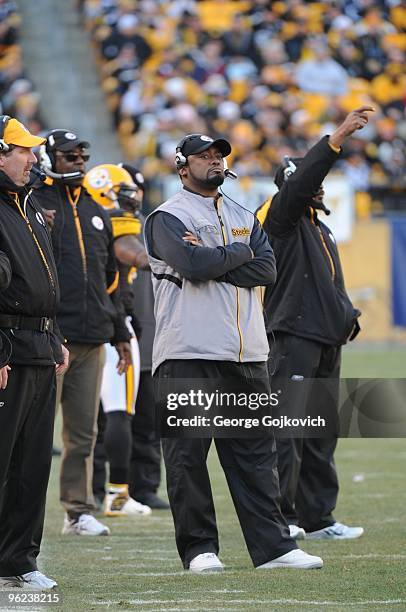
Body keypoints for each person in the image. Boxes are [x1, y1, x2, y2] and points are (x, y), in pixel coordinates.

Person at [144, 132, 323, 572]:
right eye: (204, 156)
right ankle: (199, 549)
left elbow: (267, 269)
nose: (214, 161)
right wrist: (236, 253)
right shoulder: (165, 217)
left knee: (256, 458)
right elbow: (192, 265)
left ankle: (275, 549)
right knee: (188, 456)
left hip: (246, 353)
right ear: (182, 166)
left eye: (219, 155)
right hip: (188, 349)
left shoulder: (244, 213)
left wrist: (221, 255)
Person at [256, 107, 374, 540]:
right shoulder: (280, 219)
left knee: (321, 434)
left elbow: (328, 285)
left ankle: (318, 518)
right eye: (312, 181)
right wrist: (338, 136)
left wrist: (346, 317)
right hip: (293, 336)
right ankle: (283, 518)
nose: (319, 188)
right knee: (287, 432)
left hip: (325, 338)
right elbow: (303, 179)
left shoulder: (318, 228)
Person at [37, 130, 132, 536]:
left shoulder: (96, 210)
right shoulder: (34, 204)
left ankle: (77, 510)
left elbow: (109, 281)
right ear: (47, 159)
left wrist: (120, 332)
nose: (77, 161)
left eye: (81, 154)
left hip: (92, 337)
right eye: (68, 155)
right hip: (47, 338)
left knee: (83, 432)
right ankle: (16, 512)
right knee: (31, 432)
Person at [0, 116, 69, 589]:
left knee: (32, 465)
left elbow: (44, 282)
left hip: (40, 346)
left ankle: (19, 560)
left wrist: (56, 335)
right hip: (8, 348)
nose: (32, 158)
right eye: (22, 150)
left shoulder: (26, 203)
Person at [84, 163, 150, 516]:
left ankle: (82, 499)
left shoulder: (79, 221)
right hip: (113, 324)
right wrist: (151, 259)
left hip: (86, 324)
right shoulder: (109, 222)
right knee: (119, 411)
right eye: (123, 192)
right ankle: (118, 494)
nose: (131, 199)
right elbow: (125, 247)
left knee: (83, 422)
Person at [120, 163, 169, 510]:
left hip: (150, 336)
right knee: (111, 418)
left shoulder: (151, 227)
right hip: (114, 335)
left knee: (150, 420)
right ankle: (107, 486)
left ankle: (146, 485)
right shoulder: (96, 227)